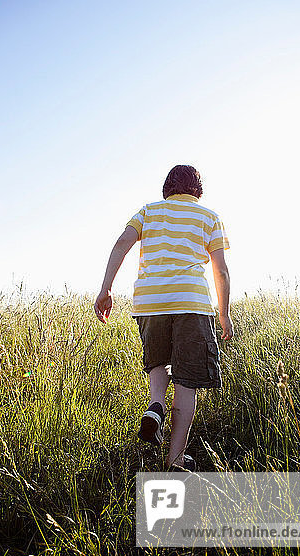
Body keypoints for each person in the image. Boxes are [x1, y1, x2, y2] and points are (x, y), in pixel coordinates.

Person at [94, 165, 233, 471]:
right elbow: (220, 270)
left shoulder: (148, 211)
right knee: (186, 382)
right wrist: (223, 313)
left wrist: (106, 289)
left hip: (150, 301)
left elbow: (121, 244)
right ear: (197, 188)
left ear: (167, 187)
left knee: (158, 361)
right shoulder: (209, 217)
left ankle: (155, 405)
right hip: (191, 303)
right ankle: (175, 460)